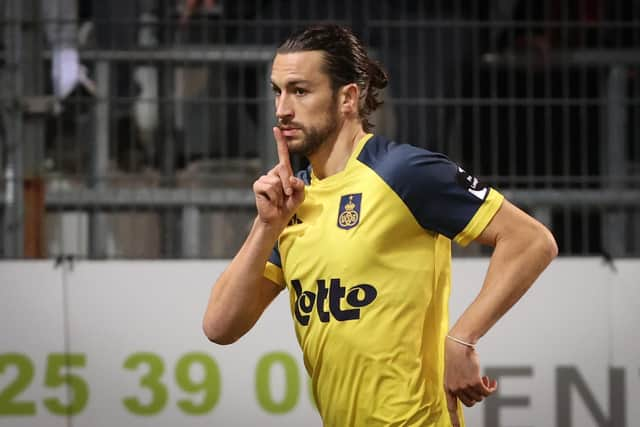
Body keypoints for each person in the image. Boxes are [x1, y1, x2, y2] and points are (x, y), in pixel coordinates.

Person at [202, 24, 557, 427]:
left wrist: (461, 339)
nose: (282, 108)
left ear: (348, 98)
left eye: (300, 91)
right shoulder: (292, 202)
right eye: (277, 91)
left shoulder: (402, 171)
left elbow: (531, 240)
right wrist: (266, 226)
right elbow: (219, 327)